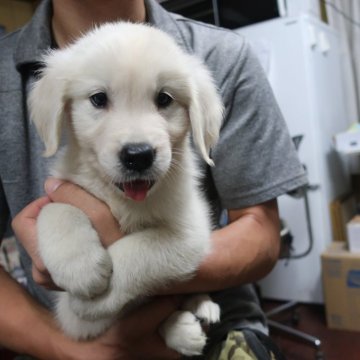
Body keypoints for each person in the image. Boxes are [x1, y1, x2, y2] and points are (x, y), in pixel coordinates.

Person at [0, 0, 307, 359]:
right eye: (99, 99)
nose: (137, 142)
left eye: (164, 100)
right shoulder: (48, 75)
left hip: (217, 333)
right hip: (57, 338)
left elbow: (257, 233)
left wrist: (123, 279)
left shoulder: (224, 55)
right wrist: (64, 346)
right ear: (62, 104)